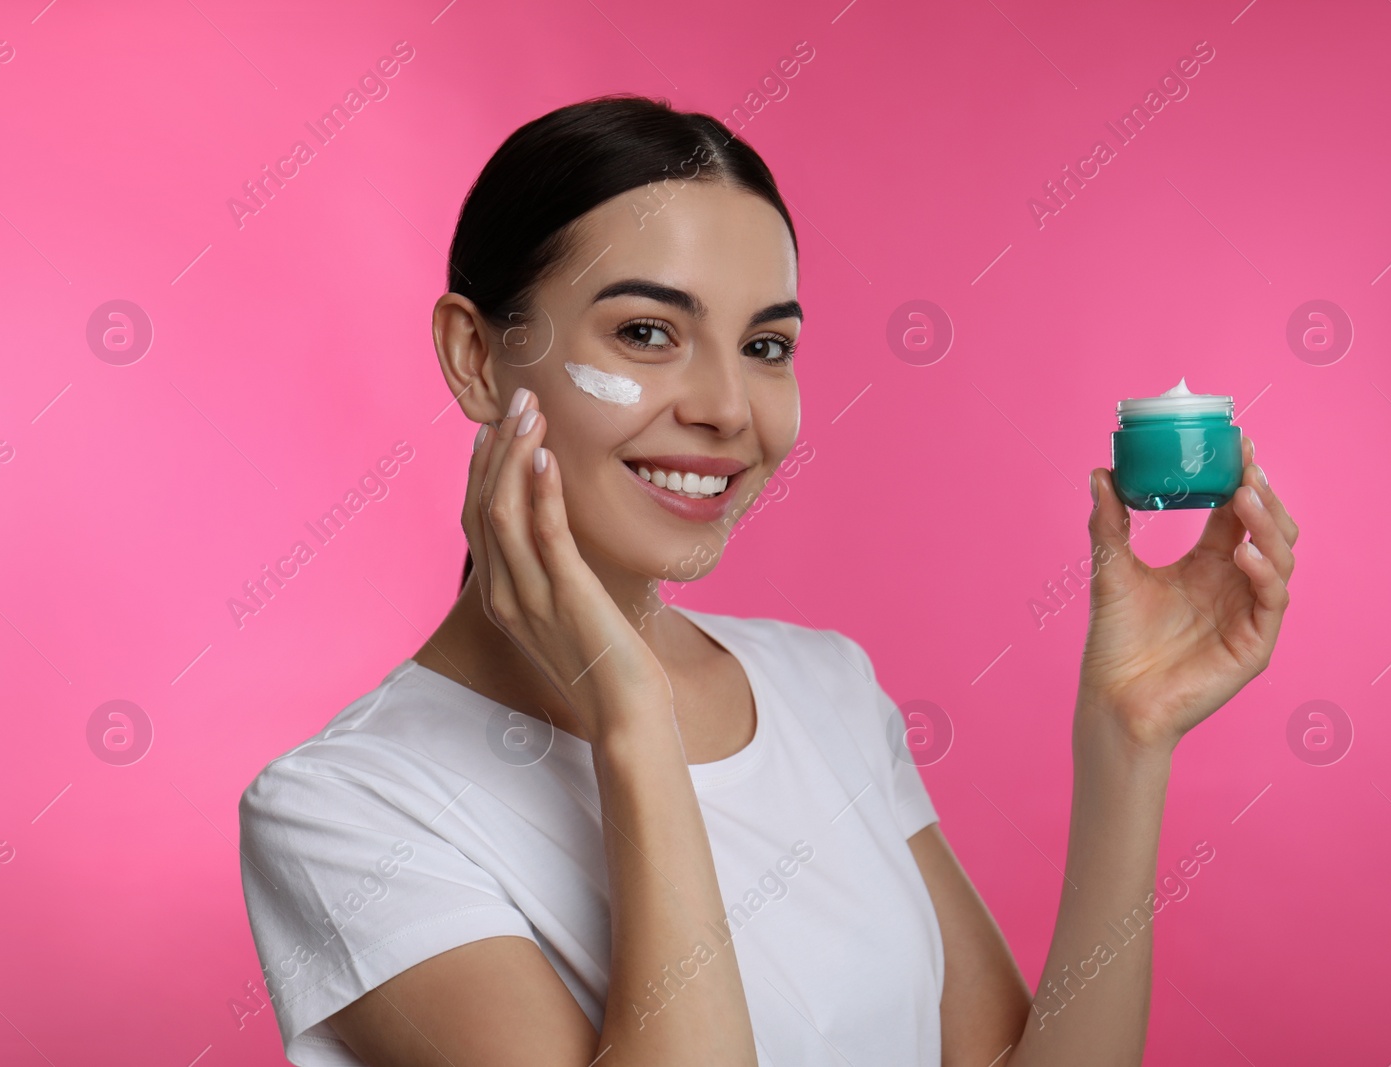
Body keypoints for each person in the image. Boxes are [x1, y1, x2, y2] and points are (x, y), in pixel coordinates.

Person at [236, 93, 1299, 1067]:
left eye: (765, 344)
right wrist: (631, 716)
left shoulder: (824, 687)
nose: (727, 408)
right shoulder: (345, 810)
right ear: (475, 355)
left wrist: (1128, 735)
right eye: (646, 332)